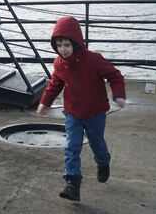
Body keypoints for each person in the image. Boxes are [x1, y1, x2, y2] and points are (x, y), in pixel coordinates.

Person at [36, 16, 126, 202]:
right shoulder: (59, 63)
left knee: (96, 142)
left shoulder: (94, 60)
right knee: (71, 146)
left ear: (76, 43)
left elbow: (115, 76)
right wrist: (45, 102)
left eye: (67, 45)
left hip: (95, 112)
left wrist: (118, 95)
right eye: (59, 45)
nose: (63, 49)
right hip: (73, 112)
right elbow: (55, 83)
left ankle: (103, 163)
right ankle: (73, 184)